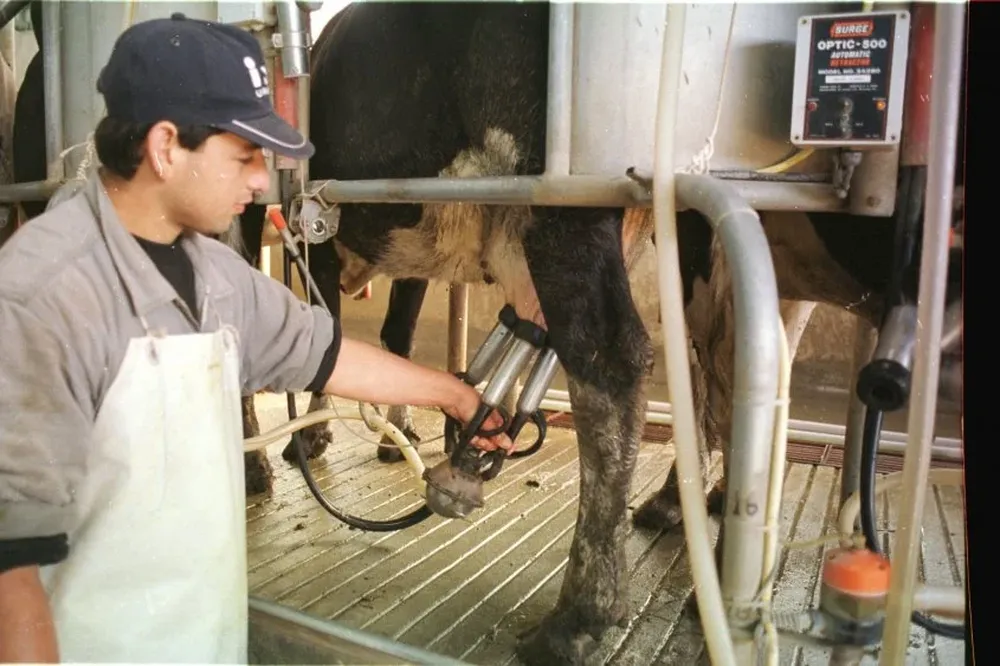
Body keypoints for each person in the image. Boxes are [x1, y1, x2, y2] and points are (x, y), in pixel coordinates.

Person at [0, 13, 511, 663]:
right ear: (164, 148)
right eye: (242, 155)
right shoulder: (42, 296)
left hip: (203, 640)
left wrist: (457, 397)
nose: (259, 181)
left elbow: (321, 354)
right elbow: (10, 569)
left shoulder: (216, 276)